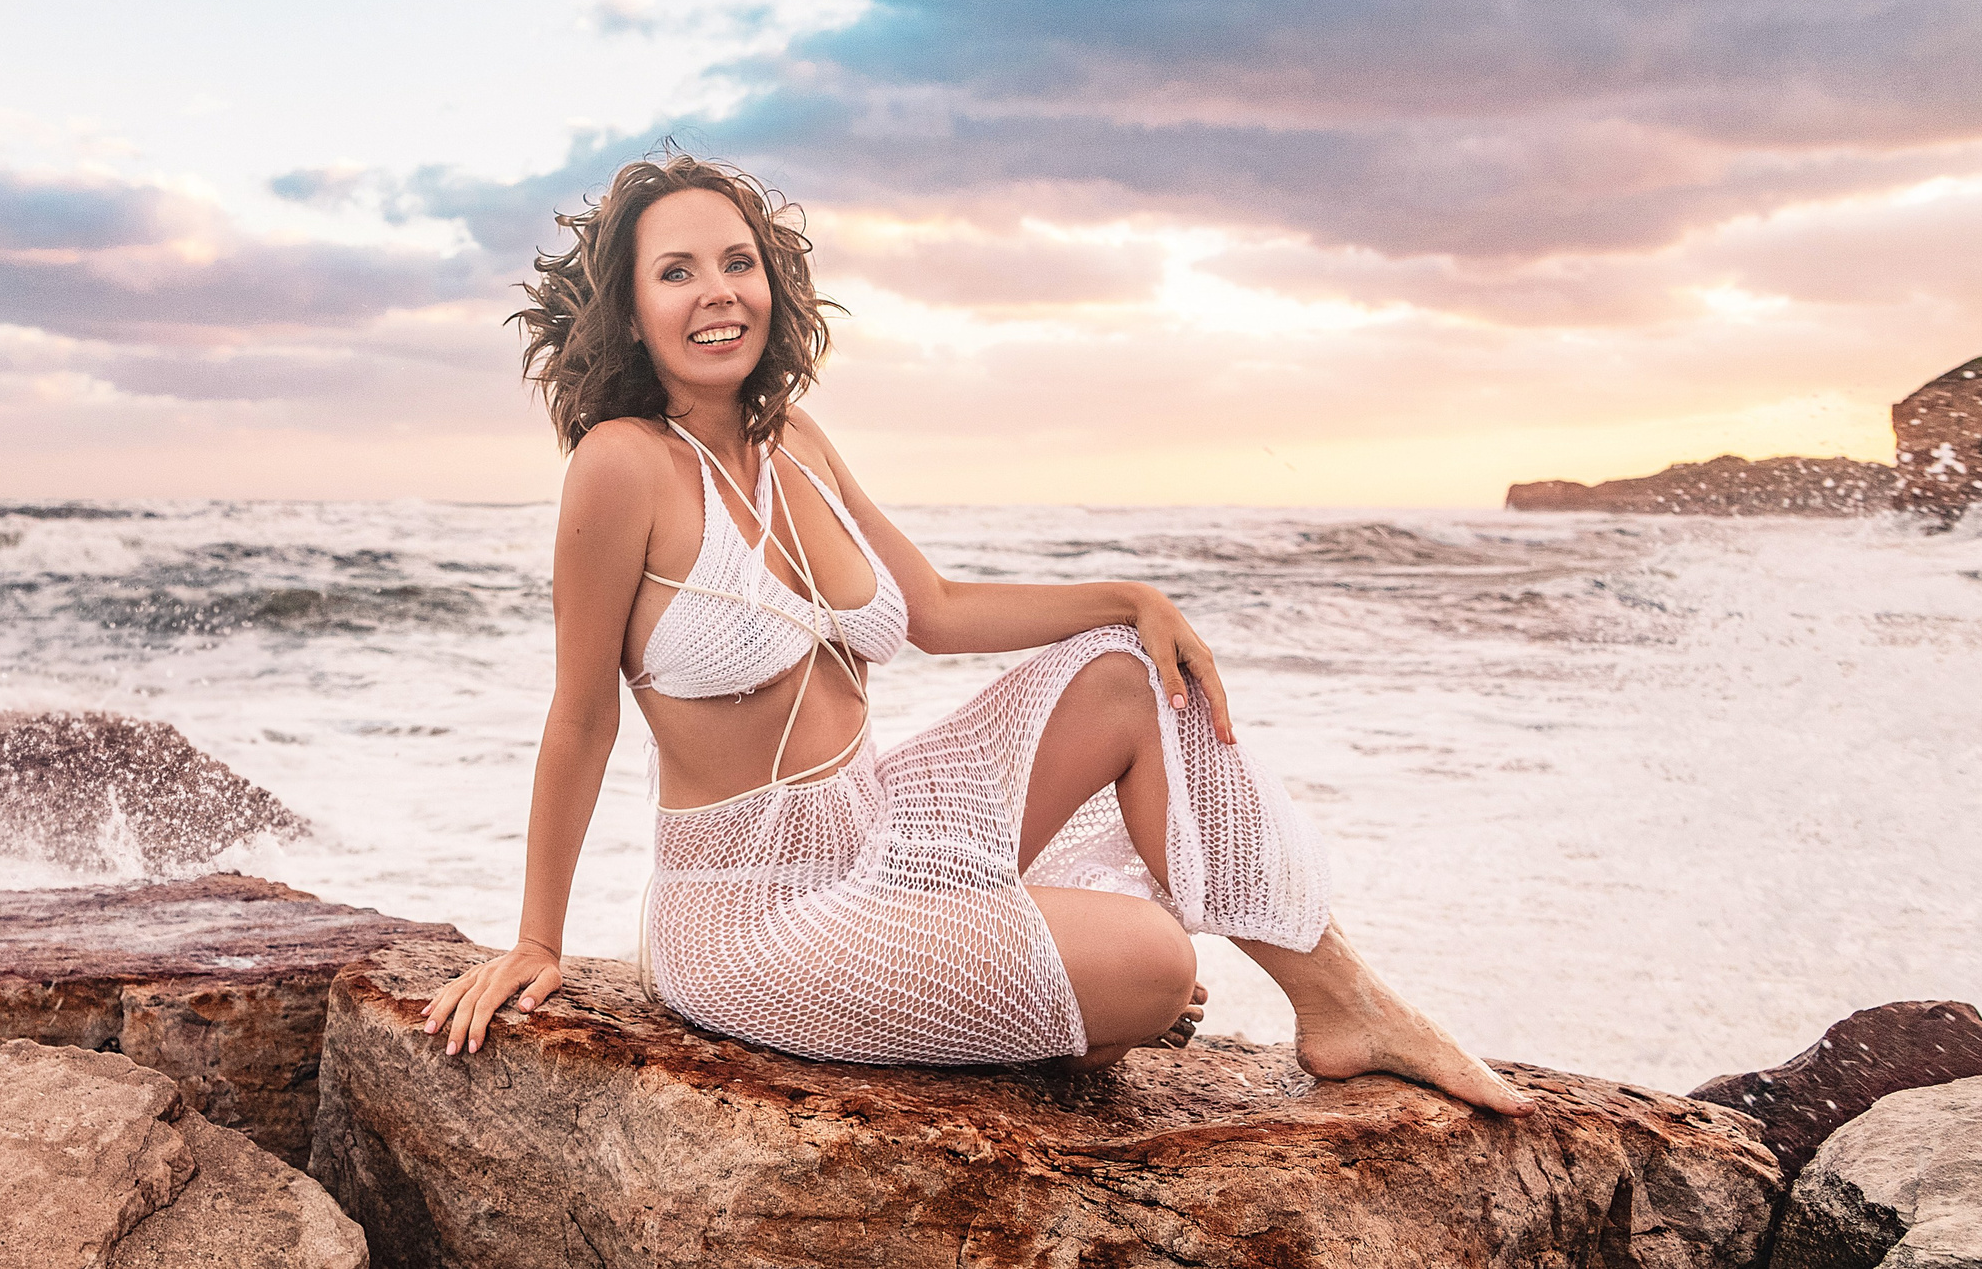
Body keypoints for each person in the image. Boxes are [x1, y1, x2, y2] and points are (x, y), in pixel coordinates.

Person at [421, 153, 1531, 1111]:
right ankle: (1076, 998)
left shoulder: (793, 436)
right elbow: (581, 715)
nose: (717, 293)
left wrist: (1128, 596)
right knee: (1155, 964)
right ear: (628, 311)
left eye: (737, 262)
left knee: (1128, 675)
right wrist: (537, 941)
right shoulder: (620, 464)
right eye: (676, 272)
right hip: (755, 914)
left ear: (773, 282)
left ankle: (1341, 1002)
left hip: (880, 826)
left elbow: (939, 610)